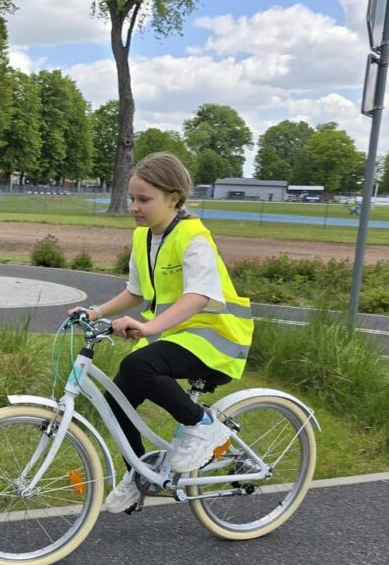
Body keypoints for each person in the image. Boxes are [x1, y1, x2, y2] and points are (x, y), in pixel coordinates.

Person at [69, 153, 254, 514]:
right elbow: (135, 292)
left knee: (139, 365)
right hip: (176, 337)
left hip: (216, 338)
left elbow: (199, 296)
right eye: (131, 199)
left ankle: (203, 425)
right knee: (115, 400)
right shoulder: (143, 237)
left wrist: (148, 326)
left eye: (144, 199)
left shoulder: (194, 237)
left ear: (174, 197)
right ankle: (139, 477)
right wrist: (94, 312)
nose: (135, 207)